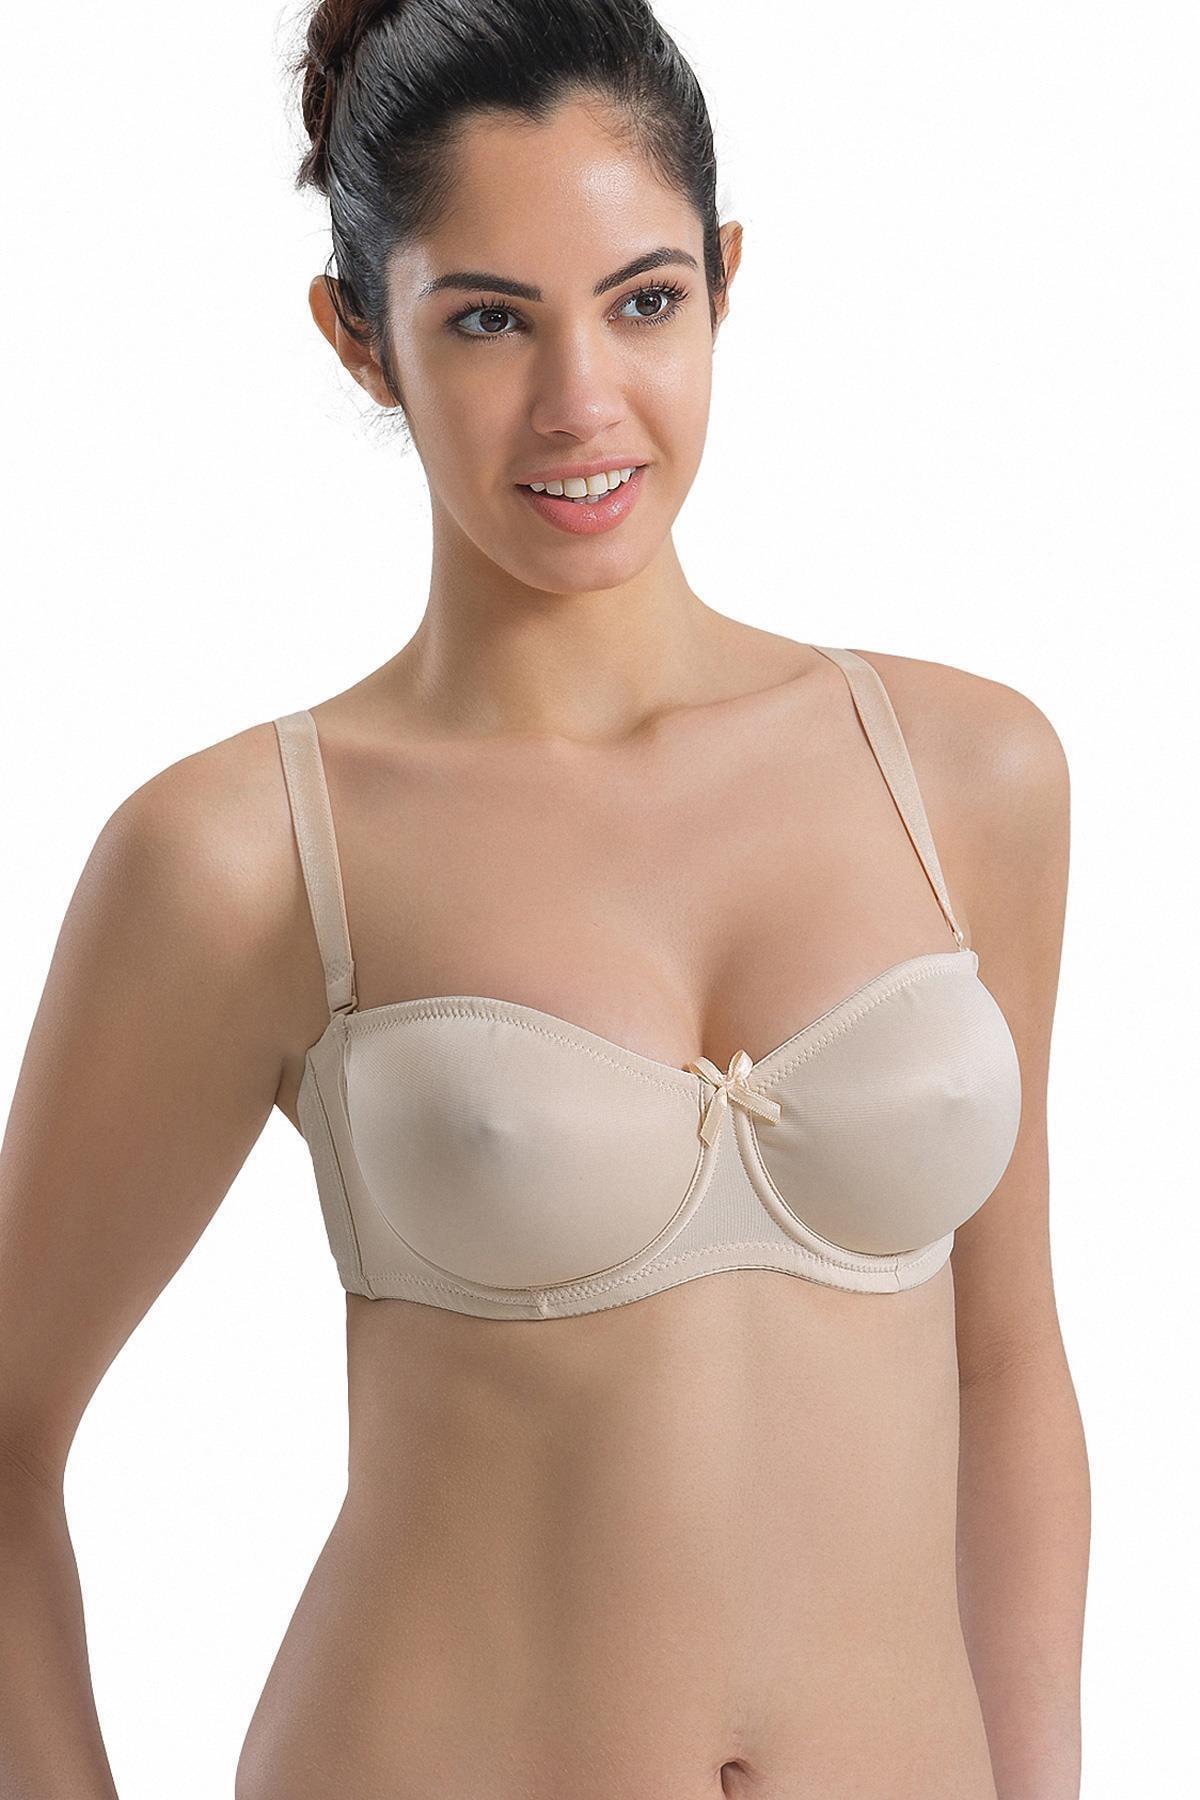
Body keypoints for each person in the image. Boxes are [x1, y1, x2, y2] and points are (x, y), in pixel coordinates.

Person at [0, 2, 1090, 1795]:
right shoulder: (247, 854)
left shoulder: (967, 776)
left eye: (643, 301)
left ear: (724, 282)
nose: (582, 403)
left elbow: (1009, 1371)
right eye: (490, 320)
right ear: (361, 338)